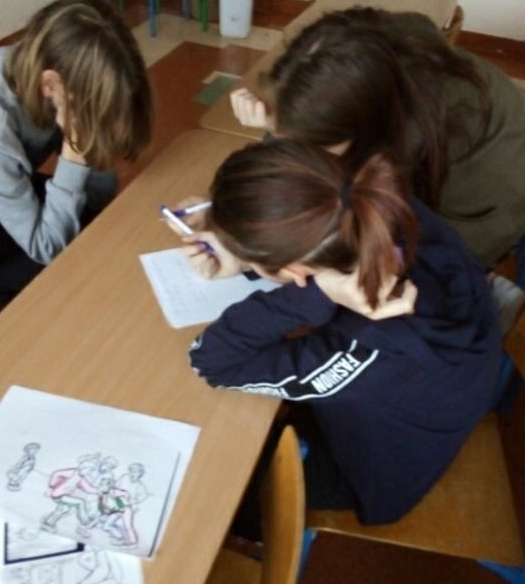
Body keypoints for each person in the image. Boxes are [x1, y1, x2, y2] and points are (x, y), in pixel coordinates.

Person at [185, 139, 501, 525]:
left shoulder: (369, 347)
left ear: (295, 272)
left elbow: (212, 362)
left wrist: (313, 294)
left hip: (368, 472)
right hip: (437, 391)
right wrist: (246, 260)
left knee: (210, 484)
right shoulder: (376, 205)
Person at [229, 8, 525, 275]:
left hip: (494, 202)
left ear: (362, 129)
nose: (300, 148)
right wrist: (274, 127)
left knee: (419, 279)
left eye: (315, 143)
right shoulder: (363, 60)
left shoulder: (417, 135)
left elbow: (364, 221)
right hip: (462, 150)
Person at [0, 0, 152, 291]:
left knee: (105, 235)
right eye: (93, 109)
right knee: (77, 273)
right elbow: (46, 248)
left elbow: (98, 196)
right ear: (49, 85)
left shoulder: (43, 67)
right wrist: (76, 150)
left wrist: (88, 145)